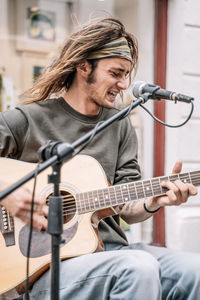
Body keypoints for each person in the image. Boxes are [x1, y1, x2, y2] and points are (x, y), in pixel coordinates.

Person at [0, 17, 200, 300]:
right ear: (84, 66)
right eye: (116, 73)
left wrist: (154, 201)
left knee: (195, 271)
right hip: (44, 265)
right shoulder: (27, 119)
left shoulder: (120, 123)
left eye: (127, 75)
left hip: (111, 250)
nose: (124, 84)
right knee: (138, 268)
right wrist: (7, 193)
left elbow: (128, 205)